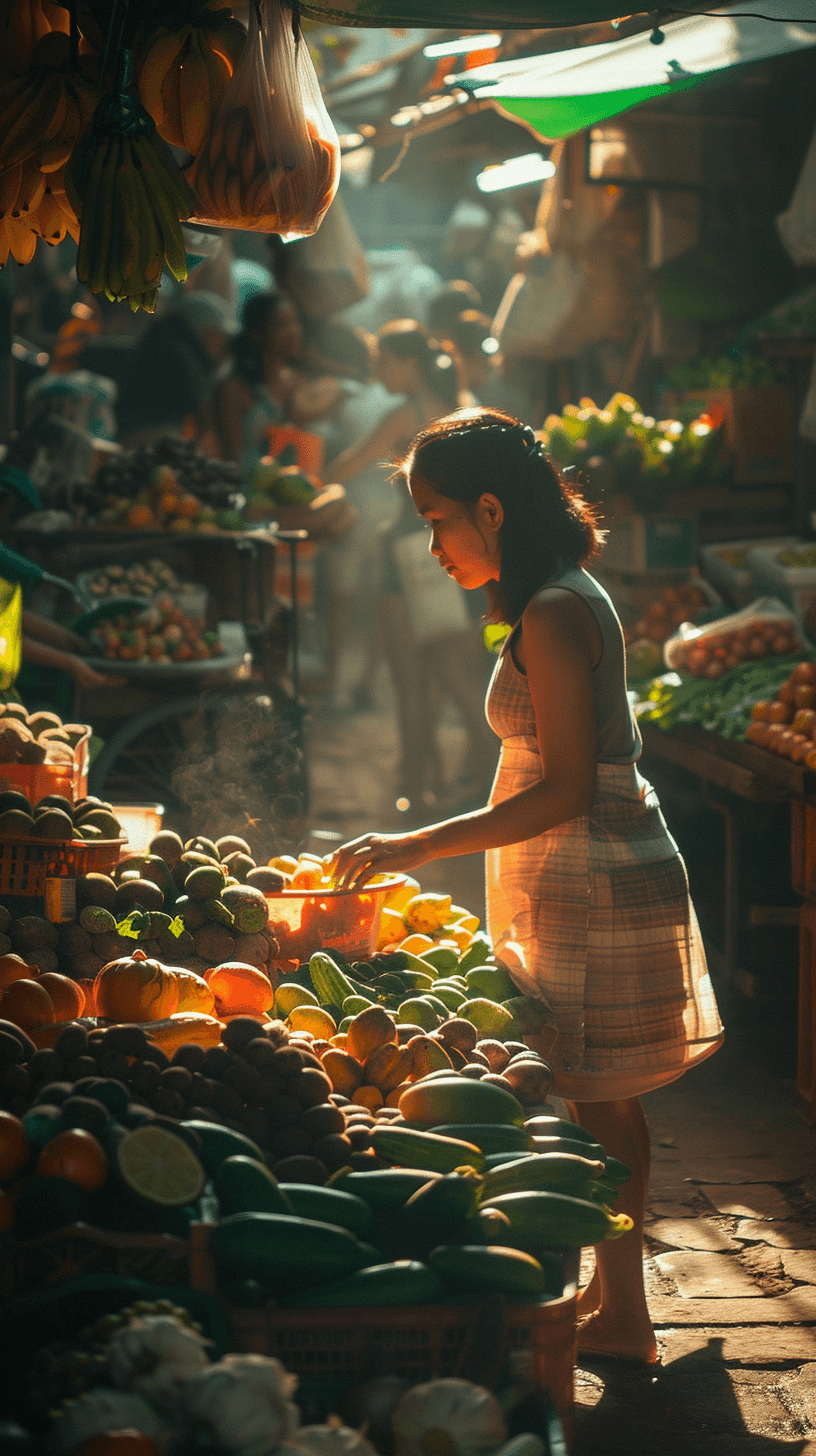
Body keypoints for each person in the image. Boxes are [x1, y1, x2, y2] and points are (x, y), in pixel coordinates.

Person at [332, 407, 724, 1364]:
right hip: (583, 873)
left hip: (593, 879)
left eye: (438, 520)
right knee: (602, 1101)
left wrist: (419, 843)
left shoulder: (551, 611)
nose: (431, 546)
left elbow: (564, 788)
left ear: (493, 510)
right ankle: (611, 1299)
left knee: (601, 1100)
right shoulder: (555, 595)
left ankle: (624, 1314)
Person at [328, 322, 497, 808]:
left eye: (384, 361)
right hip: (457, 554)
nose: (378, 370)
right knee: (458, 678)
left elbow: (348, 465)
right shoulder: (461, 409)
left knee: (412, 683)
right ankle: (470, 781)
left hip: (405, 558)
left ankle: (417, 790)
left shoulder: (406, 416)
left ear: (409, 364)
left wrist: (301, 479)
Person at [213, 291, 341, 474]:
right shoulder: (235, 387)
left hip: (298, 487)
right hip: (252, 490)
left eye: (295, 321)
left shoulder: (300, 381)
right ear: (256, 333)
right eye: (282, 324)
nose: (294, 331)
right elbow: (232, 458)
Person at [116, 292, 237, 450]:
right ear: (200, 329)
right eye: (217, 334)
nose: (222, 343)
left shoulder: (162, 339)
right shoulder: (179, 352)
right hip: (148, 438)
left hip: (135, 433)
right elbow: (205, 417)